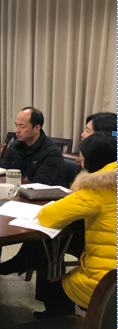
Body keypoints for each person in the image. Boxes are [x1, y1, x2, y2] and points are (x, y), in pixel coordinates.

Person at [0, 106, 66, 279]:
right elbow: (2, 171)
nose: (17, 130)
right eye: (16, 125)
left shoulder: (51, 152)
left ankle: (19, 262)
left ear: (37, 128)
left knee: (2, 211)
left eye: (22, 126)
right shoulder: (15, 146)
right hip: (16, 196)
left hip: (41, 202)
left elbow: (40, 185)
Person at [36, 132, 116, 317]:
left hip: (108, 280)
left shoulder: (98, 189)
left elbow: (47, 216)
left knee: (51, 289)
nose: (79, 161)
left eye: (82, 157)